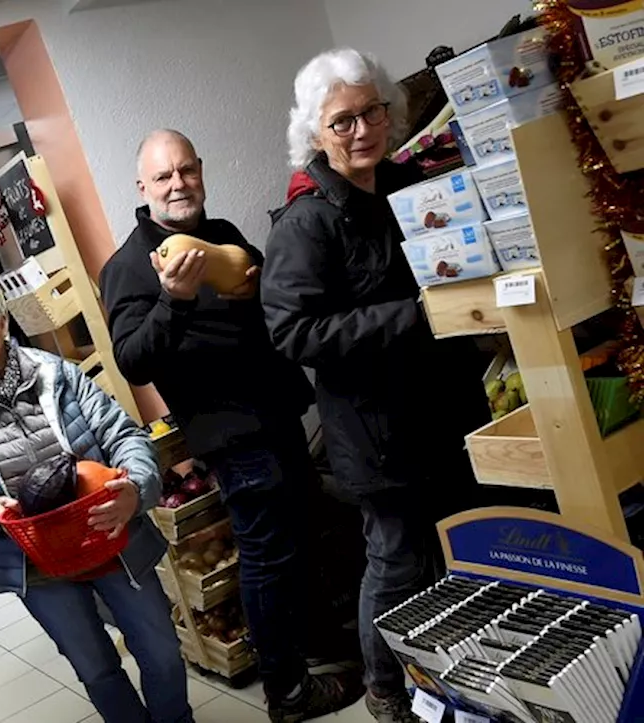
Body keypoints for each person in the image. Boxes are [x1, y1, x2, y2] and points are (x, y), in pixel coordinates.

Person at [99, 129, 363, 723]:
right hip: (232, 435)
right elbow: (134, 359)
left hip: (278, 412)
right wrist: (174, 299)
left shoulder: (221, 235)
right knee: (266, 556)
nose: (178, 184)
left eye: (187, 170)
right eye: (163, 177)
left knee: (300, 538)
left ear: (200, 170)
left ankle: (316, 645)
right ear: (142, 188)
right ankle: (288, 693)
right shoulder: (129, 268)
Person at [260, 50, 489, 723]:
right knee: (395, 561)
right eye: (342, 121)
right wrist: (410, 317)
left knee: (452, 547)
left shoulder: (407, 187)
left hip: (441, 411)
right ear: (316, 134)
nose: (362, 129)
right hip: (374, 432)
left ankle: (449, 677)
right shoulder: (305, 223)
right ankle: (384, 689)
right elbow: (294, 332)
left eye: (372, 111)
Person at [0, 278, 192, 723]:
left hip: (111, 540)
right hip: (38, 568)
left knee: (163, 653)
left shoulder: (59, 375)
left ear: (3, 320)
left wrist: (135, 490)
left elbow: (124, 435)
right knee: (97, 670)